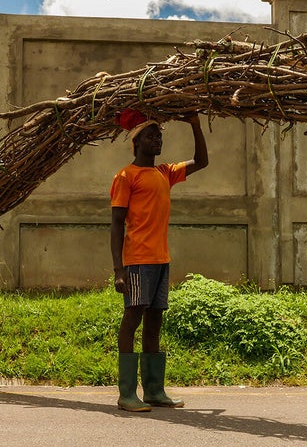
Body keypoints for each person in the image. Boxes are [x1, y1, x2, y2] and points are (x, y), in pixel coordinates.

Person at [110, 108, 208, 412]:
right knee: (132, 319)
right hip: (137, 261)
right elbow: (116, 225)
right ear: (137, 142)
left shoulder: (165, 173)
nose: (158, 141)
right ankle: (127, 394)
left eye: (160, 136)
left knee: (155, 322)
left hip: (161, 260)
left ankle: (154, 391)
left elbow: (202, 161)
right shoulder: (126, 177)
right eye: (152, 136)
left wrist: (194, 123)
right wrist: (119, 270)